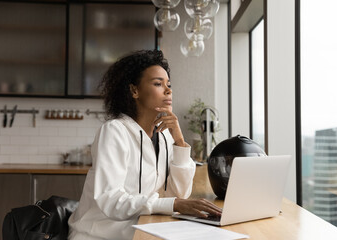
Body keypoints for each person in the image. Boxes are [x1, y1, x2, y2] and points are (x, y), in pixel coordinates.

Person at [68, 50, 222, 240]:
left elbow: (179, 194)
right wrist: (173, 204)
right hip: (98, 235)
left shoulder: (165, 135)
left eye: (169, 84)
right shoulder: (115, 131)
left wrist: (180, 142)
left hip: (140, 229)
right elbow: (110, 199)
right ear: (134, 91)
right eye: (158, 83)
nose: (168, 90)